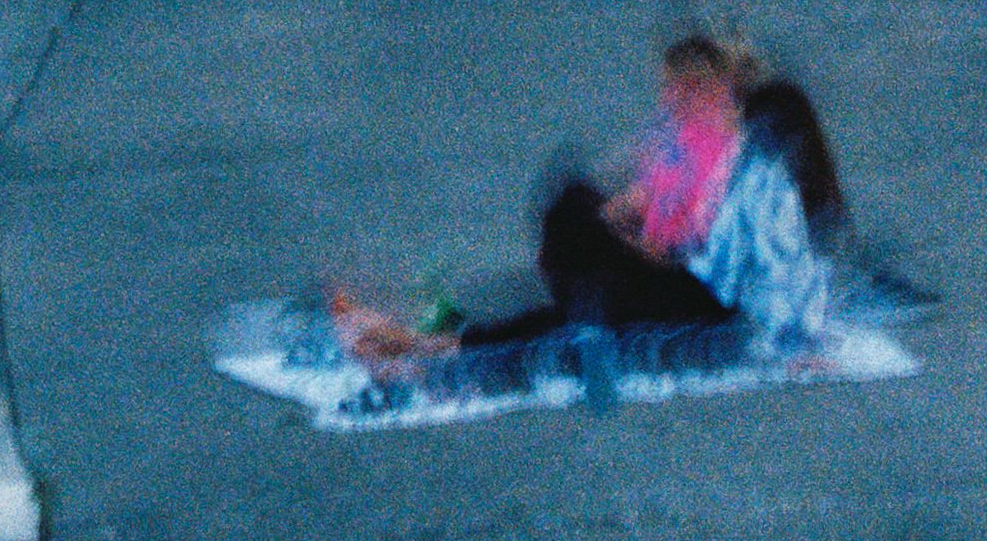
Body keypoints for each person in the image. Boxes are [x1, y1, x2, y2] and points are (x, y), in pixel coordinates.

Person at [341, 35, 837, 370]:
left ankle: (425, 346)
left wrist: (800, 346)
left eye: (680, 90)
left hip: (702, 300)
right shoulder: (681, 144)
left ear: (713, 92)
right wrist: (608, 233)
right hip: (662, 275)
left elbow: (761, 260)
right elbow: (631, 208)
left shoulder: (746, 166)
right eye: (667, 88)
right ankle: (440, 335)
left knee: (584, 291)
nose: (668, 99)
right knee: (576, 217)